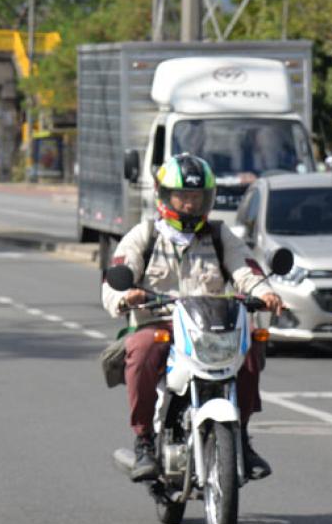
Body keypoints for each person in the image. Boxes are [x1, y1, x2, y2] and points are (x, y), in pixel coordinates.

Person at [100, 153, 283, 483]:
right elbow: (115, 277)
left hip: (210, 324)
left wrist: (265, 292)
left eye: (196, 197)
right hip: (160, 323)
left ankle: (240, 436)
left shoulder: (218, 235)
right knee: (140, 351)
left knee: (251, 346)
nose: (189, 204)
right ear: (166, 197)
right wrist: (126, 296)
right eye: (183, 196)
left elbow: (246, 268)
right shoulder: (145, 236)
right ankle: (143, 440)